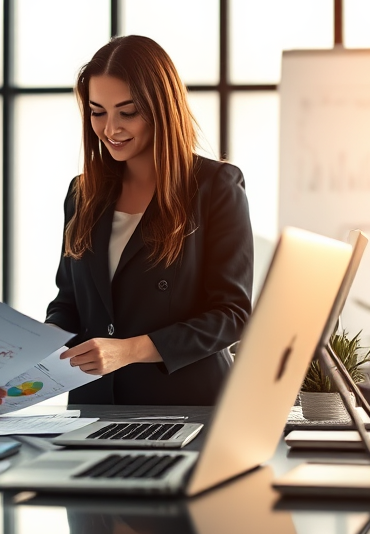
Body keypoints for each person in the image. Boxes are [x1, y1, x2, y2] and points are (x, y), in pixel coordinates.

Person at [47, 34, 253, 405]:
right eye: (98, 112)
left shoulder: (215, 186)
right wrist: (28, 351)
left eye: (128, 112)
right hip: (95, 407)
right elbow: (69, 304)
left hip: (187, 406)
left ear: (162, 108)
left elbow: (232, 314)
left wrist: (128, 351)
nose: (111, 129)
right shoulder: (82, 193)